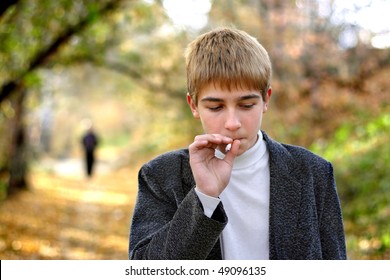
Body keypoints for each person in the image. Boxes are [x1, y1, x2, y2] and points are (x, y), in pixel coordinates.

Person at [129, 27, 346, 260]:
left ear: (266, 99)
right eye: (216, 107)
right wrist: (204, 198)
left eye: (246, 105)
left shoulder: (314, 173)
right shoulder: (160, 176)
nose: (232, 123)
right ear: (193, 106)